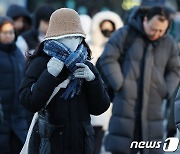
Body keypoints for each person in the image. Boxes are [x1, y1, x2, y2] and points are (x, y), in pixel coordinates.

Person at [19, 8, 110, 154]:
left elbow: (100, 107)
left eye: (76, 37)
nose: (72, 42)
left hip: (81, 144)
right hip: (49, 143)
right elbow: (28, 101)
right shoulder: (40, 63)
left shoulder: (86, 65)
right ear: (54, 38)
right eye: (66, 37)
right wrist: (49, 75)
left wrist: (93, 80)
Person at [98, 6, 180, 154]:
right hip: (125, 104)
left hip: (153, 108)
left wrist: (165, 89)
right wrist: (119, 84)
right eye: (153, 29)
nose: (157, 34)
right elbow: (108, 58)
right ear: (145, 20)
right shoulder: (125, 34)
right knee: (122, 148)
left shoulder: (168, 42)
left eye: (162, 30)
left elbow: (175, 69)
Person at [89, 10, 123, 154]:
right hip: (93, 96)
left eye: (110, 29)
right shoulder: (90, 46)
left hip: (112, 96)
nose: (107, 31)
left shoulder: (118, 49)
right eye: (104, 28)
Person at [0, 16, 31, 154]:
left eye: (11, 32)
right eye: (5, 32)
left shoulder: (18, 53)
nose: (9, 36)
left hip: (18, 116)